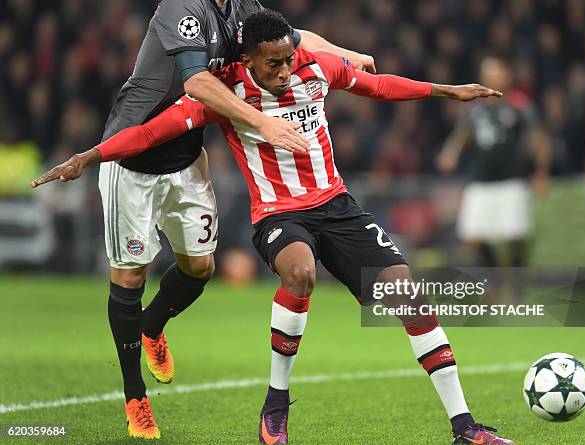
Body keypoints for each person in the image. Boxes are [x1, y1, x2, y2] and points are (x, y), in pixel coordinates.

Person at [33, 10, 513, 445]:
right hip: (279, 215)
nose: (285, 71)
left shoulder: (314, 67)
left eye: (288, 59)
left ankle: (464, 426)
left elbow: (380, 85)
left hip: (338, 205)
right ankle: (276, 404)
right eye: (274, 64)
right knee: (300, 273)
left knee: (406, 293)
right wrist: (89, 157)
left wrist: (448, 91)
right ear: (247, 59)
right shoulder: (224, 91)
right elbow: (153, 130)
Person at [32, 0, 374, 440]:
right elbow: (197, 81)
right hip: (133, 159)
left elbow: (296, 38)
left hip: (187, 157)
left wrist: (349, 56)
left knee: (201, 268)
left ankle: (152, 326)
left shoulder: (242, 7)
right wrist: (260, 123)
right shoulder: (181, 8)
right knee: (130, 277)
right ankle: (135, 395)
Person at [437, 57, 549, 280]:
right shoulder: (474, 109)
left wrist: (541, 172)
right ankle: (495, 277)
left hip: (512, 180)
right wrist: (450, 153)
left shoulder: (520, 105)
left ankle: (518, 284)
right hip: (481, 181)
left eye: (496, 73)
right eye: (487, 74)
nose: (492, 78)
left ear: (506, 75)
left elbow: (539, 140)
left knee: (516, 236)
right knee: (473, 237)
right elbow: (462, 136)